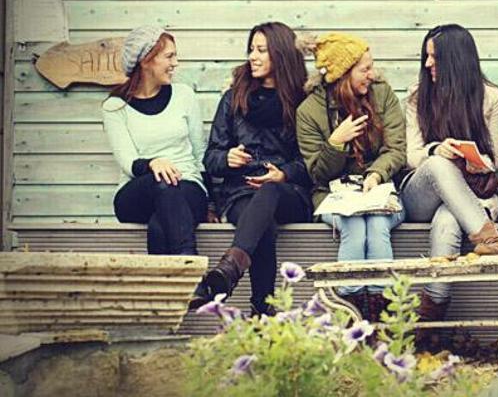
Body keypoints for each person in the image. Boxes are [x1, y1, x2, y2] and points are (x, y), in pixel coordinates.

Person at [198, 22, 313, 316]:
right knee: (263, 225)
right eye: (251, 49)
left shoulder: (303, 101)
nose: (253, 56)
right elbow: (210, 157)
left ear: (281, 55)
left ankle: (230, 268)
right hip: (240, 193)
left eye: (261, 50)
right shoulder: (234, 98)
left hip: (289, 193)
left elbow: (312, 161)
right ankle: (263, 312)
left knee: (271, 191)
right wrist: (227, 158)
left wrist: (284, 173)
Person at [296, 33, 407, 322]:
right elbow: (316, 173)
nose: (372, 74)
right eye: (364, 69)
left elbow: (396, 149)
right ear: (342, 75)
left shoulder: (382, 94)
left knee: (378, 224)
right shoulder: (309, 111)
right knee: (355, 228)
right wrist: (335, 142)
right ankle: (351, 316)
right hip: (334, 194)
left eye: (371, 66)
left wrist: (375, 173)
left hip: (379, 190)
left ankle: (383, 317)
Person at [401, 24, 498, 324]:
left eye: (434, 57)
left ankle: (431, 316)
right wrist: (437, 150)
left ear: (455, 61)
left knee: (448, 219)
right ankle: (488, 237)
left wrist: (473, 160)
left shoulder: (490, 97)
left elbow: (496, 159)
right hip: (422, 193)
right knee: (438, 164)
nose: (427, 64)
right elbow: (412, 157)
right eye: (426, 56)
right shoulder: (416, 95)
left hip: (471, 192)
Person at [103, 26, 208, 259]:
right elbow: (127, 161)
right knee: (161, 183)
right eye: (169, 56)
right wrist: (153, 164)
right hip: (138, 192)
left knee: (160, 226)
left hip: (188, 187)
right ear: (146, 60)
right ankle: (191, 264)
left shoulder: (184, 96)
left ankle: (168, 293)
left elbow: (200, 153)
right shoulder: (115, 106)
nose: (176, 63)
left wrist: (213, 203)